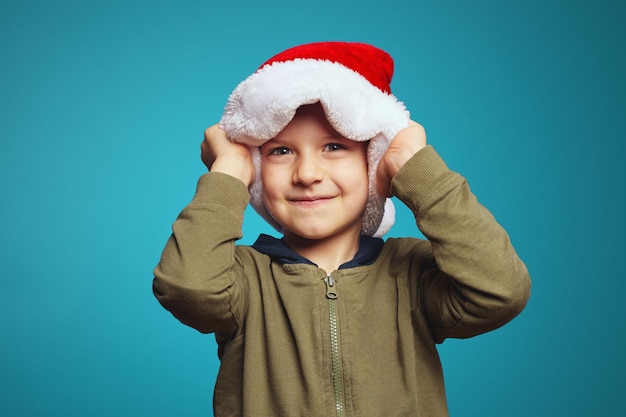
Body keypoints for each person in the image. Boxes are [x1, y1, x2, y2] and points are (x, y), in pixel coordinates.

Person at [153, 41, 531, 417]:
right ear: (256, 171)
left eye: (334, 146)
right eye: (280, 151)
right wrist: (229, 171)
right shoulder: (242, 280)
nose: (307, 174)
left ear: (373, 162)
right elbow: (188, 289)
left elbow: (501, 291)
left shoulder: (412, 274)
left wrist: (412, 166)